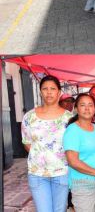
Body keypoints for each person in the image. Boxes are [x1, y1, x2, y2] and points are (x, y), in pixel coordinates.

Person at [21, 75, 73, 212]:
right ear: (40, 92)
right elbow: (27, 143)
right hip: (37, 174)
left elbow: (73, 146)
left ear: (59, 92)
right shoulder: (29, 117)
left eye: (52, 89)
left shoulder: (70, 118)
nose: (49, 92)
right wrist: (41, 157)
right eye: (45, 89)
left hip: (62, 173)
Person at [63, 93, 95, 211]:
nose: (87, 108)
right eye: (82, 105)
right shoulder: (72, 130)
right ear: (76, 108)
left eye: (90, 105)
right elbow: (73, 161)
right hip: (82, 184)